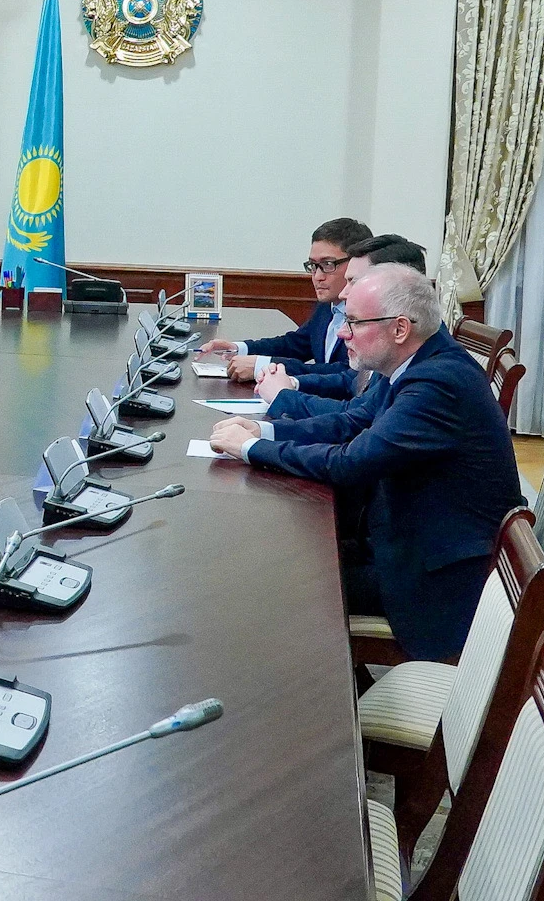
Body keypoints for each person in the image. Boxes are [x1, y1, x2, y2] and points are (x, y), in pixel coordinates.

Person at [209, 265, 523, 660]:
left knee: (275, 586)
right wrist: (262, 431)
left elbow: (350, 462)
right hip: (402, 539)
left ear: (400, 328)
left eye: (354, 322)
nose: (343, 333)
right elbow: (351, 423)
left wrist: (251, 450)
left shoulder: (438, 383)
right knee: (281, 557)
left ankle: (313, 691)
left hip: (437, 581)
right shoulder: (414, 363)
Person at [255, 234, 428, 421]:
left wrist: (284, 398)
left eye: (354, 282)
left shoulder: (427, 374)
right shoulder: (396, 344)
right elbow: (352, 383)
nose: (344, 293)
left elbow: (357, 419)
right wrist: (292, 384)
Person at [199, 217, 373, 383]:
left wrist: (264, 366)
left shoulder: (369, 315)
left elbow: (349, 374)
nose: (317, 276)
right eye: (313, 266)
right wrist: (239, 348)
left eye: (328, 264)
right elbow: (296, 345)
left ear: (356, 263)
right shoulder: (327, 305)